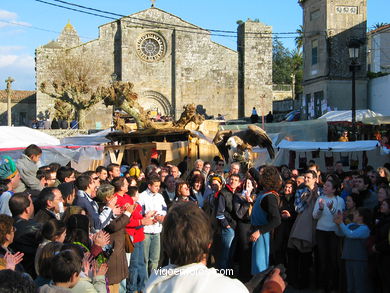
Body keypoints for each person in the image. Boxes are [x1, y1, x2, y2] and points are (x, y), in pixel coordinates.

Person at [145, 202, 286, 293]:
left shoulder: (154, 282)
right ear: (209, 245)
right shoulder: (227, 287)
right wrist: (272, 288)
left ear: (166, 245)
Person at [312, 178, 345, 292]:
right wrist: (320, 209)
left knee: (333, 259)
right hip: (321, 231)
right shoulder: (320, 199)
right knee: (322, 259)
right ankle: (323, 285)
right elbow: (314, 216)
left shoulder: (339, 200)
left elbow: (339, 216)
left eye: (328, 186)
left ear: (334, 189)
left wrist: (331, 208)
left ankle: (334, 285)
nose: (325, 187)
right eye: (324, 185)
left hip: (334, 232)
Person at [250, 166, 282, 275]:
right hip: (258, 232)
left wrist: (259, 232)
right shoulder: (265, 192)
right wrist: (249, 166)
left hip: (263, 234)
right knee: (257, 265)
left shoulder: (270, 197)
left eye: (263, 174)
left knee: (260, 267)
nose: (261, 176)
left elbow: (276, 220)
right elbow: (257, 177)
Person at [334, 208, 372, 293]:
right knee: (350, 286)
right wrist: (338, 224)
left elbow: (351, 234)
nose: (353, 215)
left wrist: (341, 223)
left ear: (361, 217)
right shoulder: (350, 225)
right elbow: (339, 233)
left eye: (356, 214)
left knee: (359, 286)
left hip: (359, 260)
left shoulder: (365, 229)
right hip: (348, 258)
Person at [138, 176, 167, 276]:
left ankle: (152, 280)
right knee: (145, 259)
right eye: (155, 186)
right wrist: (148, 214)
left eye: (159, 186)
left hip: (157, 231)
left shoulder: (160, 196)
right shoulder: (142, 196)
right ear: (149, 186)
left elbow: (164, 209)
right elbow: (139, 211)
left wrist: (160, 215)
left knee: (155, 259)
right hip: (146, 231)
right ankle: (144, 283)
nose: (158, 188)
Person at [9, 192, 41, 278]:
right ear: (27, 209)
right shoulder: (35, 228)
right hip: (30, 274)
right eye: (31, 204)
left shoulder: (7, 227)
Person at [216, 173, 241, 270]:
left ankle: (228, 275)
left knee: (231, 254)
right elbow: (219, 213)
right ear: (228, 180)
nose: (233, 181)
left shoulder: (238, 193)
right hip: (228, 228)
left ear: (239, 183)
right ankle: (222, 275)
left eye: (235, 180)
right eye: (232, 179)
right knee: (224, 254)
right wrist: (226, 225)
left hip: (236, 227)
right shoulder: (223, 193)